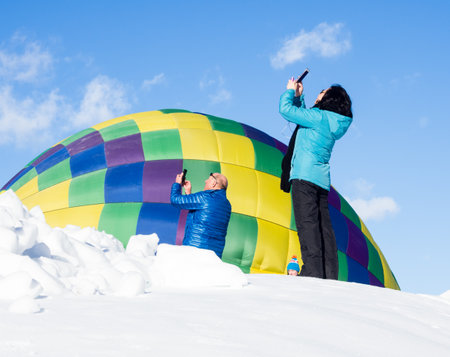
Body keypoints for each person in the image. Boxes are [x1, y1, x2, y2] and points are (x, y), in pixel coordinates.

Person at [279, 78, 353, 279]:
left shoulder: (319, 117)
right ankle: (329, 273)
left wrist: (289, 92)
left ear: (328, 98)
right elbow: (305, 121)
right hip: (320, 179)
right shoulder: (331, 121)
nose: (318, 93)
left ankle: (312, 270)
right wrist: (300, 97)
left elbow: (286, 110)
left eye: (322, 92)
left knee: (308, 224)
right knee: (323, 228)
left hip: (303, 175)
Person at [170, 172, 232, 258]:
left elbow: (175, 200)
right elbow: (203, 214)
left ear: (213, 183)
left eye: (209, 179)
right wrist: (188, 193)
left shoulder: (205, 197)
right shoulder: (227, 205)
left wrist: (177, 184)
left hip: (194, 251)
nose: (205, 181)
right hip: (214, 256)